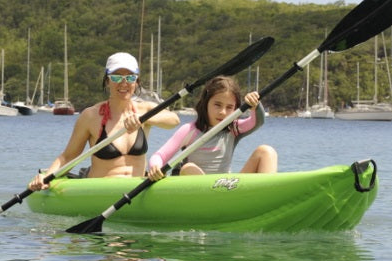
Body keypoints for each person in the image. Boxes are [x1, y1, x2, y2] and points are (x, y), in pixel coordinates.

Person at [27, 52, 179, 191]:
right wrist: (47, 177)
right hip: (101, 190)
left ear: (137, 82)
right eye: (116, 77)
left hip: (134, 188)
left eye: (130, 77)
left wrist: (144, 119)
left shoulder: (145, 110)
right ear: (107, 81)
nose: (124, 83)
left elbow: (174, 120)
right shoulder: (90, 116)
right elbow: (68, 156)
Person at [147, 75, 277, 181]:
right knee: (188, 168)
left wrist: (255, 105)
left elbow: (257, 122)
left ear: (236, 109)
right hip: (197, 191)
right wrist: (155, 167)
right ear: (206, 104)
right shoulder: (190, 130)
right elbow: (160, 155)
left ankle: (268, 198)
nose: (223, 112)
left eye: (229, 107)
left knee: (266, 152)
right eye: (217, 105)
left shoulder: (234, 129)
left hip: (225, 188)